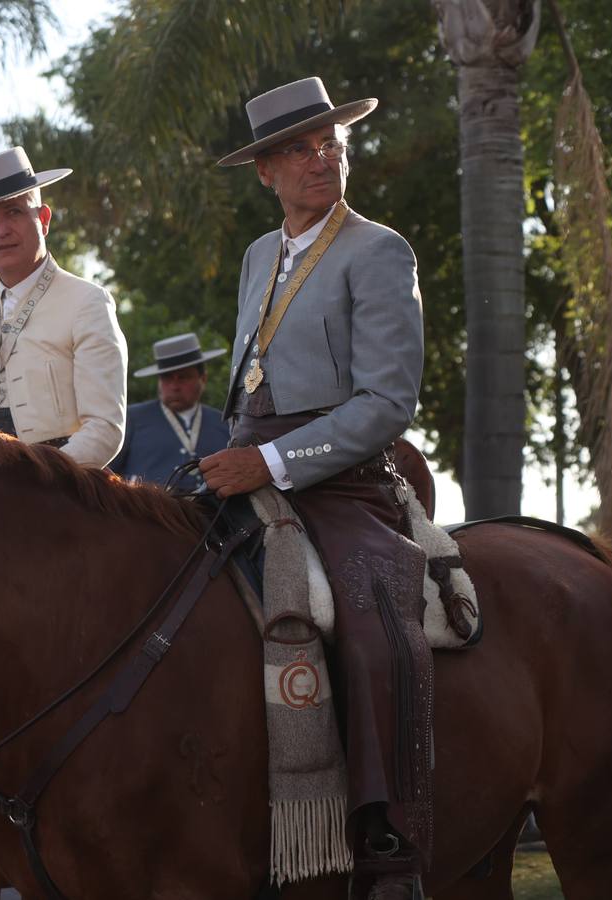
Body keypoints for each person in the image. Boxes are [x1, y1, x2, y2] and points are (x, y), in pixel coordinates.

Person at [200, 77, 431, 900]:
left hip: (342, 482)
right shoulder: (261, 256)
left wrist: (270, 464)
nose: (320, 159)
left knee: (369, 618)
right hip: (241, 464)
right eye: (298, 149)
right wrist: (233, 460)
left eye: (330, 142)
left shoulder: (378, 249)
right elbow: (248, 382)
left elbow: (386, 404)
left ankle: (390, 842)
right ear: (265, 170)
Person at [0, 146, 127, 467]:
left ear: (44, 218)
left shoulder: (87, 300)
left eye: (14, 212)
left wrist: (39, 480)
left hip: (50, 485)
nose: (0, 230)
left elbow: (105, 428)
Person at [109, 332, 231, 491]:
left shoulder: (224, 423)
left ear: (203, 379)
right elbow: (108, 475)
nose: (174, 386)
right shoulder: (130, 419)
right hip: (149, 514)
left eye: (183, 377)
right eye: (166, 378)